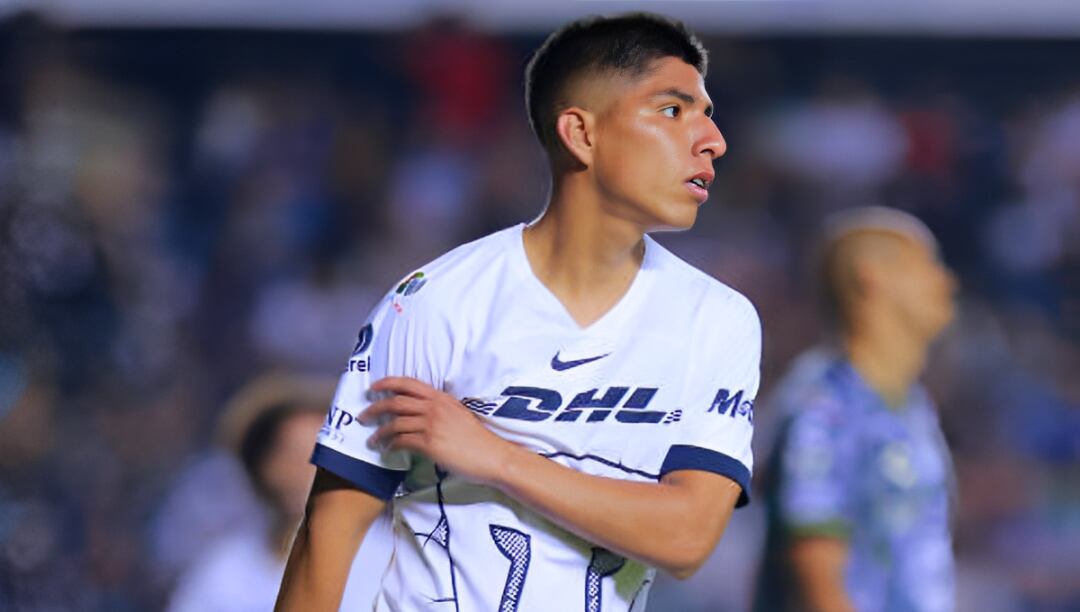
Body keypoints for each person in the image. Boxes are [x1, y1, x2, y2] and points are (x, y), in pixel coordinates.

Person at [276, 13, 761, 612]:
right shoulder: (433, 302)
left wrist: (496, 457)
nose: (713, 139)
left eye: (707, 113)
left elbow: (686, 538)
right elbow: (327, 535)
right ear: (580, 133)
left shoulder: (718, 318)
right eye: (672, 110)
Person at [754, 207, 958, 612]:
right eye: (927, 265)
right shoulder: (825, 406)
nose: (946, 281)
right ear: (873, 275)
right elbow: (816, 566)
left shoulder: (913, 407)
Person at [168, 374, 390, 612]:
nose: (308, 472)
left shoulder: (393, 560)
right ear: (263, 469)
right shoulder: (226, 569)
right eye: (293, 456)